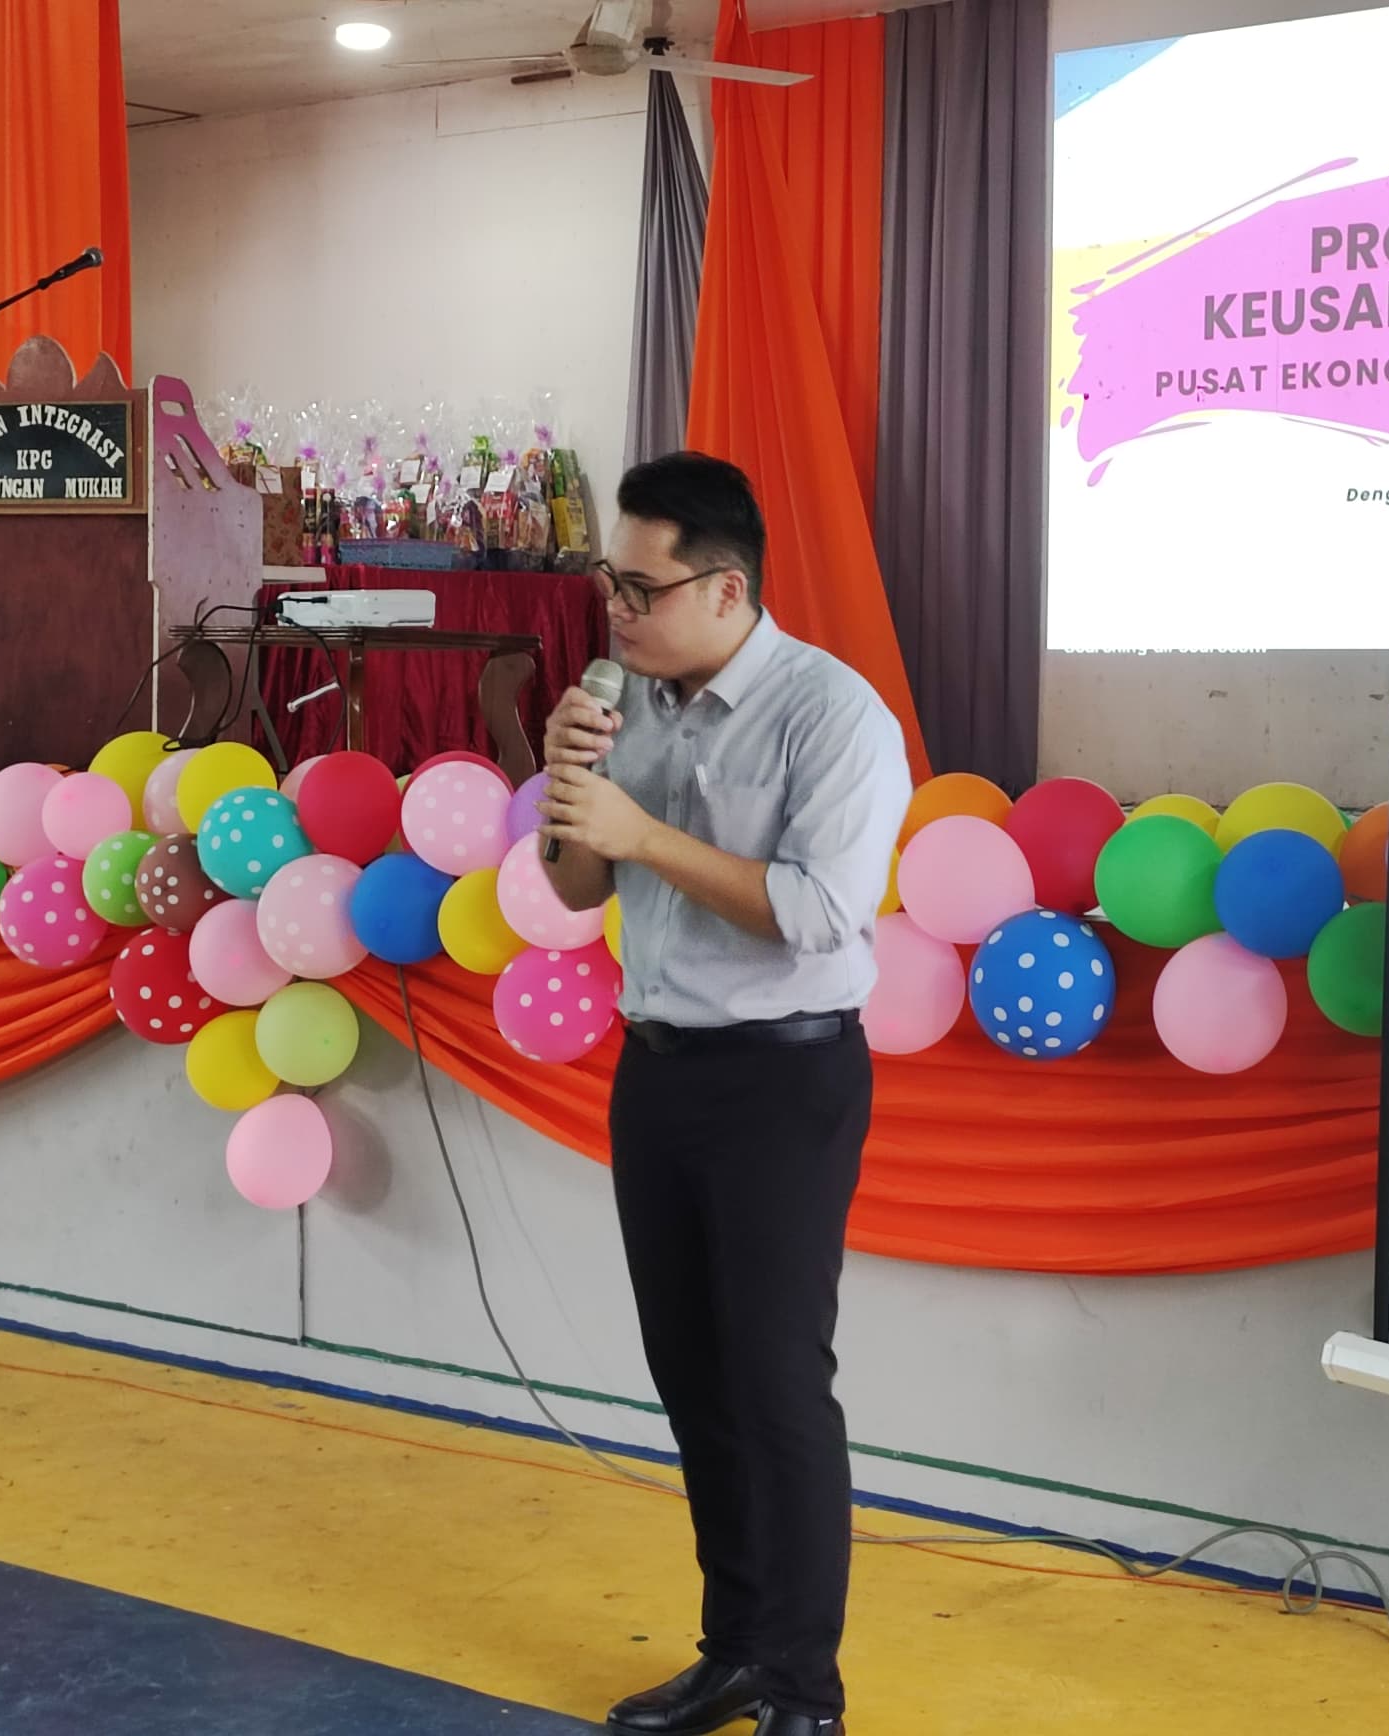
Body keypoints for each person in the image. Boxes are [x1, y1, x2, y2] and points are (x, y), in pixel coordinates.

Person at [538, 453, 912, 1736]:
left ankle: (806, 1692)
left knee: (775, 1384)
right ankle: (735, 1650)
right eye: (608, 583)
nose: (616, 611)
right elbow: (579, 889)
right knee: (692, 1376)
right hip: (657, 1069)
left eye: (638, 589)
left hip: (783, 1078)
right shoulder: (623, 702)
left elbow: (817, 911)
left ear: (727, 588)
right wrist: (569, 794)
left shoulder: (833, 714)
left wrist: (641, 830)